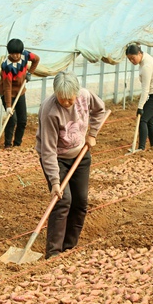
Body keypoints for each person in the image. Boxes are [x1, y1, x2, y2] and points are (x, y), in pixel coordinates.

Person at [36, 71, 107, 259]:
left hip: (81, 155)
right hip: (57, 158)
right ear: (55, 94)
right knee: (62, 199)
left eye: (70, 99)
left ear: (76, 92)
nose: (67, 102)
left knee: (80, 201)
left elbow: (100, 110)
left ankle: (69, 246)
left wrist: (92, 134)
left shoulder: (85, 96)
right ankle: (53, 252)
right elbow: (48, 150)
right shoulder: (49, 111)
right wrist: (55, 182)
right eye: (62, 99)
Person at [0, 38, 40, 149]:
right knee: (12, 119)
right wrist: (8, 106)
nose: (15, 56)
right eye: (13, 54)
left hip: (20, 91)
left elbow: (36, 59)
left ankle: (17, 144)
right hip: (8, 93)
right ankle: (8, 144)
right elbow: (7, 88)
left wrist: (30, 73)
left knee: (22, 120)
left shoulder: (25, 55)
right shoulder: (7, 67)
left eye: (17, 53)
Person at [125, 44, 153, 151]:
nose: (132, 61)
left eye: (133, 58)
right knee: (149, 121)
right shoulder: (144, 58)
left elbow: (145, 89)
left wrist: (140, 107)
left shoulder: (147, 66)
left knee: (143, 120)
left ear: (139, 53)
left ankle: (141, 148)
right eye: (129, 59)